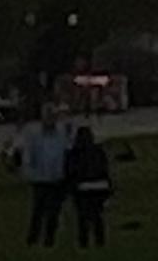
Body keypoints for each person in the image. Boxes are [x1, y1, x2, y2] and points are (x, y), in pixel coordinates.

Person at [21, 107, 70, 247]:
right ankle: (32, 239)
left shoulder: (61, 134)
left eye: (52, 116)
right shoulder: (35, 135)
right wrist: (29, 173)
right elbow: (29, 155)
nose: (50, 120)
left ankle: (49, 239)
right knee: (38, 211)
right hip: (40, 179)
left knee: (53, 212)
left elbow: (66, 151)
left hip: (56, 179)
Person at [67, 125, 113, 249]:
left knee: (83, 217)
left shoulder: (74, 153)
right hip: (100, 186)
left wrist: (71, 189)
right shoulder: (99, 151)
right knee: (97, 216)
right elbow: (105, 169)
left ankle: (84, 242)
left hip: (83, 187)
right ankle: (100, 241)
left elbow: (71, 172)